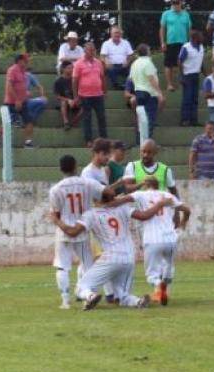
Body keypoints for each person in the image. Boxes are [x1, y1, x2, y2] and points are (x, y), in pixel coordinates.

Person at [50, 193, 172, 311]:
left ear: (96, 199)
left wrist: (56, 220)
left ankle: (90, 296)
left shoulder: (91, 214)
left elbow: (73, 232)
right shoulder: (122, 208)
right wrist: (160, 204)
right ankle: (137, 301)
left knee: (80, 288)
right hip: (129, 257)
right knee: (123, 295)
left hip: (111, 257)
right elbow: (145, 215)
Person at [48, 154, 110, 310]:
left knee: (62, 266)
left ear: (61, 169)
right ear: (76, 167)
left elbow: (56, 214)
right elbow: (107, 192)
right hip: (82, 230)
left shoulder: (55, 189)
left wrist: (58, 222)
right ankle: (88, 295)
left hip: (63, 232)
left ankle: (65, 301)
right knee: (88, 266)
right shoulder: (87, 183)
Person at [132, 177, 191, 305]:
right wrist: (183, 223)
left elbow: (124, 198)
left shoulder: (140, 194)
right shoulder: (168, 196)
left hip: (152, 239)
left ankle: (158, 285)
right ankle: (163, 292)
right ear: (158, 185)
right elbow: (187, 210)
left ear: (145, 185)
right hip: (170, 238)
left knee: (152, 275)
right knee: (168, 265)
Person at [0, 54, 39, 149]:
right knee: (8, 122)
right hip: (11, 102)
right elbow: (9, 86)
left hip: (23, 101)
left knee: (29, 120)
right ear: (19, 61)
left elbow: (21, 85)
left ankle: (28, 143)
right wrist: (17, 100)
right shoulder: (12, 70)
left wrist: (25, 94)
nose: (27, 62)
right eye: (25, 60)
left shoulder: (23, 71)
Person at [73, 43, 108, 147]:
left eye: (93, 50)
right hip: (85, 95)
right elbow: (75, 80)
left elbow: (102, 77)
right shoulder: (78, 63)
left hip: (98, 94)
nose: (92, 52)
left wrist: (104, 90)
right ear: (85, 51)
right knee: (87, 118)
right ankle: (88, 140)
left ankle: (104, 139)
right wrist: (75, 96)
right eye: (90, 50)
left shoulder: (98, 63)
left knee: (101, 117)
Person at [130, 44, 164, 139]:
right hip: (149, 93)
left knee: (140, 118)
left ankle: (139, 140)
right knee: (149, 118)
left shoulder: (134, 64)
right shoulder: (148, 62)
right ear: (146, 51)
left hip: (138, 92)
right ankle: (147, 141)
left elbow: (132, 79)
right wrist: (159, 93)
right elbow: (151, 78)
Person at [160, 0, 192, 92]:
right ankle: (169, 85)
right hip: (170, 43)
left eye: (177, 2)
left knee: (183, 64)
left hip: (184, 44)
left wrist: (190, 44)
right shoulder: (166, 14)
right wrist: (163, 42)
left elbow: (189, 30)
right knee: (168, 64)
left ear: (180, 3)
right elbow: (162, 29)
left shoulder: (186, 14)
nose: (175, 5)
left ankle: (182, 85)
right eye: (173, 3)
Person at [179, 30, 205, 127]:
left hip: (196, 74)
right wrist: (182, 76)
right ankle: (184, 119)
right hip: (187, 75)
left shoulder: (201, 47)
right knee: (187, 98)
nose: (202, 38)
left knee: (195, 99)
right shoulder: (186, 47)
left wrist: (205, 73)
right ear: (195, 38)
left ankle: (193, 120)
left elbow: (201, 61)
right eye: (201, 37)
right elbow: (180, 61)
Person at [100, 25, 134, 90]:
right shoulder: (106, 43)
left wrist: (128, 61)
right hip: (112, 66)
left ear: (121, 34)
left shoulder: (126, 43)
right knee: (111, 70)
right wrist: (105, 61)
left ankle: (129, 87)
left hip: (124, 66)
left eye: (118, 33)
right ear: (111, 34)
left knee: (132, 72)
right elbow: (102, 56)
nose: (117, 34)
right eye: (115, 33)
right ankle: (117, 86)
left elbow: (131, 55)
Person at [54, 62, 82, 130]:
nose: (71, 69)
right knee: (63, 102)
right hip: (65, 102)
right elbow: (57, 96)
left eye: (72, 68)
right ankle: (66, 122)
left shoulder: (75, 79)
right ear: (63, 69)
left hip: (75, 100)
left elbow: (80, 92)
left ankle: (73, 122)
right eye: (69, 68)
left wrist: (76, 100)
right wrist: (68, 100)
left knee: (87, 105)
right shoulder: (58, 81)